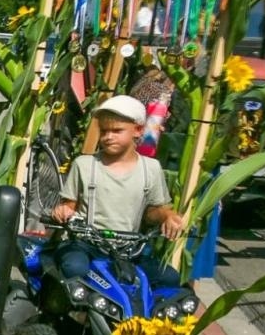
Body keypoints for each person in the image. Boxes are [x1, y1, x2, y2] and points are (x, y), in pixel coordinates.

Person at [51, 94, 186, 287]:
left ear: (138, 130)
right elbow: (69, 205)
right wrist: (63, 210)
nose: (108, 137)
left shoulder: (151, 168)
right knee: (74, 268)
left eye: (116, 131)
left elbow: (153, 211)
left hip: (130, 249)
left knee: (169, 278)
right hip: (86, 245)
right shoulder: (85, 165)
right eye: (104, 131)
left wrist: (167, 216)